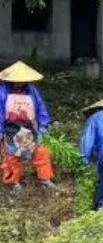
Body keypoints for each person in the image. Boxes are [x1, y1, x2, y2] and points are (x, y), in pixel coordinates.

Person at [0, 61, 55, 190]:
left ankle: (45, 178)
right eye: (18, 80)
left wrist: (42, 127)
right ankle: (12, 181)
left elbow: (41, 109)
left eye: (23, 80)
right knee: (11, 155)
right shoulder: (2, 92)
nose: (20, 82)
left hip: (30, 127)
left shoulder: (32, 91)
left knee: (41, 152)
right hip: (10, 129)